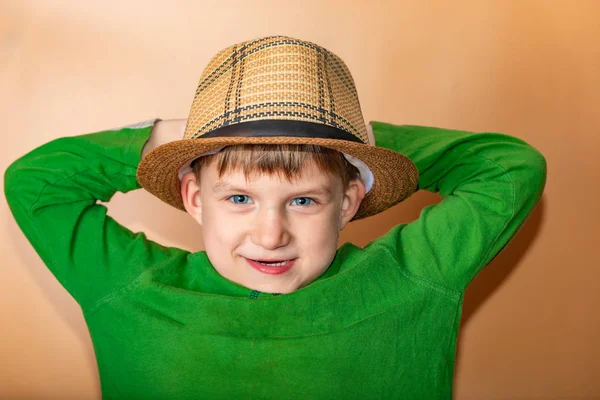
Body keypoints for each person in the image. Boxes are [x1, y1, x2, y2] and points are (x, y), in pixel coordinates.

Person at [4, 35, 547, 399]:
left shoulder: (413, 277)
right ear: (194, 198)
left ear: (350, 202)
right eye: (239, 198)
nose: (271, 235)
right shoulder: (129, 285)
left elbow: (509, 166)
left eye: (305, 200)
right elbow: (35, 180)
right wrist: (176, 132)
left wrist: (347, 141)